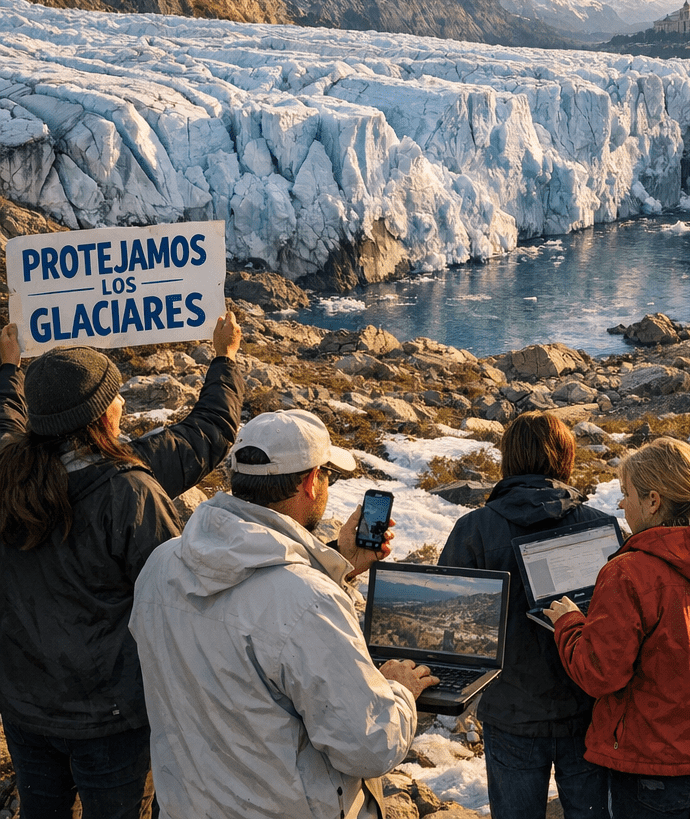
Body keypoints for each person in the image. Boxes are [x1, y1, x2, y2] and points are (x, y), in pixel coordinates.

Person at [129, 408, 438, 819]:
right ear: (312, 482)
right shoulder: (308, 602)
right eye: (327, 474)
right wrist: (399, 690)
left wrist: (339, 562)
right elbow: (369, 745)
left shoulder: (162, 565)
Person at [0, 314, 244, 819]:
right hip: (112, 719)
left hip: (25, 705)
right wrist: (223, 358)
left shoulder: (6, 471)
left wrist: (8, 371)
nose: (122, 404)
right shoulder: (130, 490)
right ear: (100, 418)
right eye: (115, 398)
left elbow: (5, 422)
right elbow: (209, 432)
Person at [546, 437, 690, 819]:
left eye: (625, 493)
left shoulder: (628, 572)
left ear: (653, 501)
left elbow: (601, 673)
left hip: (656, 765)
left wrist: (568, 624)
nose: (621, 504)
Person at [438, 411, 611, 819]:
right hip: (586, 709)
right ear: (566, 459)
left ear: (508, 460)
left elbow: (448, 625)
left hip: (510, 712)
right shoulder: (600, 527)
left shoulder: (473, 530)